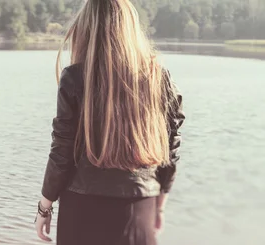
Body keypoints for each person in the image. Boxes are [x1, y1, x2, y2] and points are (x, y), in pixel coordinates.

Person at [34, 0, 186, 244]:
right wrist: (159, 205)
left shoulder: (74, 78)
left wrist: (45, 207)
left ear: (87, 30)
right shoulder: (158, 77)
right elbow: (172, 144)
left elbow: (61, 151)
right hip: (140, 205)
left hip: (82, 210)